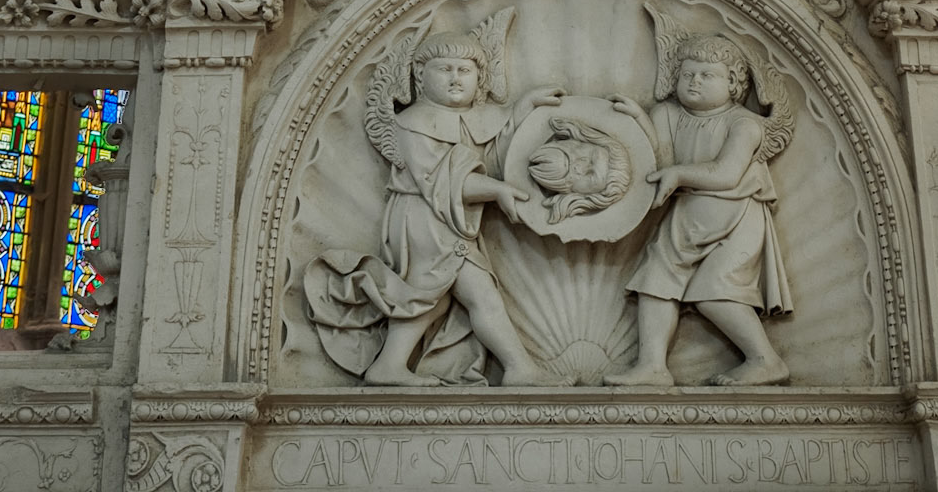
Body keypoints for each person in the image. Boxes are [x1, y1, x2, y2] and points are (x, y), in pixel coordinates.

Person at [304, 32, 562, 386]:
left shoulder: (465, 121)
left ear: (480, 79)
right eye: (444, 69)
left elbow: (491, 156)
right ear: (420, 77)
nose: (456, 78)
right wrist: (497, 190)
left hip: (447, 224)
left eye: (465, 70)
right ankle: (518, 367)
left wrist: (523, 110)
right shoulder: (415, 123)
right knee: (469, 293)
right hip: (422, 220)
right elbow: (443, 179)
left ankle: (391, 365)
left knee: (434, 298)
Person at [607, 36, 791, 389]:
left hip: (735, 219)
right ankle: (652, 366)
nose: (694, 82)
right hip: (686, 218)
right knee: (656, 279)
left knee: (715, 291)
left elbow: (726, 173)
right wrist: (638, 121)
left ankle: (765, 359)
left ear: (734, 85)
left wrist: (678, 174)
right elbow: (659, 161)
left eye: (707, 75)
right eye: (688, 74)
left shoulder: (744, 124)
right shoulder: (668, 114)